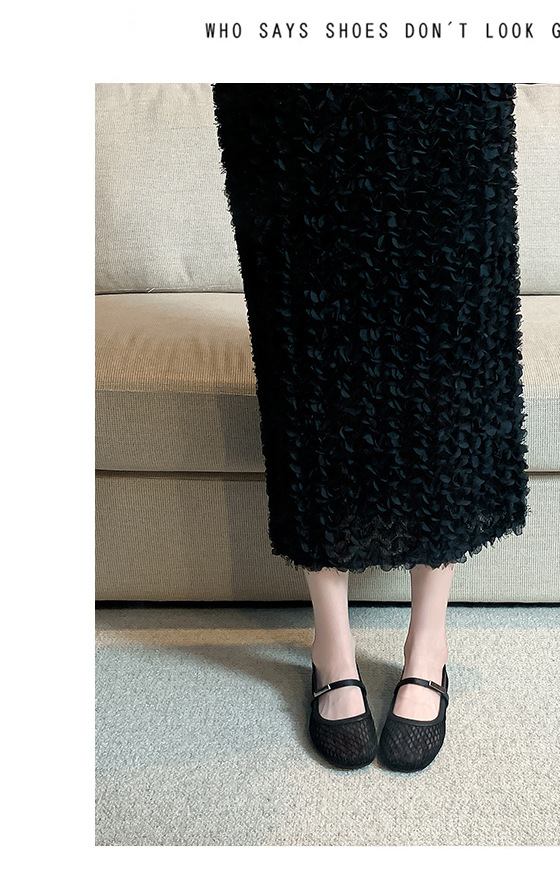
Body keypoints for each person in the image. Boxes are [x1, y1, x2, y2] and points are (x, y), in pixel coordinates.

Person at [212, 83, 528, 772]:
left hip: (441, 73)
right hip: (290, 78)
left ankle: (428, 643)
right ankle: (332, 643)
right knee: (309, 347)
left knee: (442, 342)